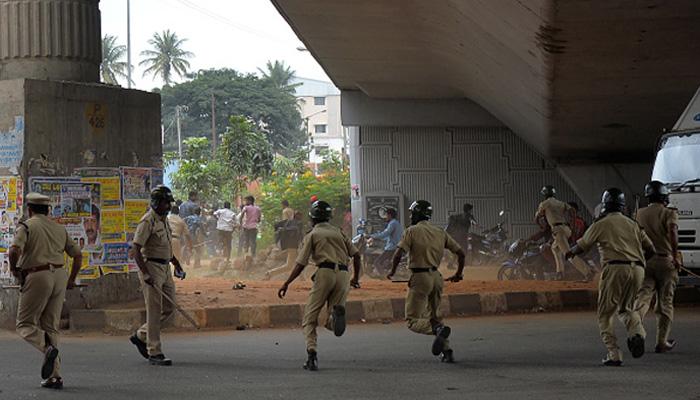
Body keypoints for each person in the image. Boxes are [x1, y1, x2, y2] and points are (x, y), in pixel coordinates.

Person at [566, 188, 655, 366]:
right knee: (627, 308)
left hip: (615, 268)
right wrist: (636, 261)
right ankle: (637, 334)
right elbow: (651, 249)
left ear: (605, 205)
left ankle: (614, 354)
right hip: (637, 269)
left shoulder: (601, 223)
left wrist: (568, 253)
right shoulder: (633, 224)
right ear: (622, 206)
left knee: (605, 315)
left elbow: (582, 246)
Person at [8, 192, 82, 389]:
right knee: (51, 326)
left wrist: (14, 269)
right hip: (59, 275)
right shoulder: (59, 228)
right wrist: (72, 279)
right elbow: (78, 255)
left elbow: (14, 250)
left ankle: (46, 346)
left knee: (24, 324)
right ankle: (54, 376)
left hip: (37, 274)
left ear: (30, 209)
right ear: (48, 210)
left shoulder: (27, 226)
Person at [278, 200, 361, 371]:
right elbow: (357, 255)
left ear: (312, 218)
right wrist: (355, 278)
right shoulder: (339, 232)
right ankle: (335, 316)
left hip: (325, 273)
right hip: (344, 274)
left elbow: (300, 263)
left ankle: (312, 355)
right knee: (332, 316)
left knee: (310, 318)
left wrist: (287, 283)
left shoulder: (313, 234)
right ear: (329, 217)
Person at [387, 200, 466, 363]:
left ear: (417, 214)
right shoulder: (439, 231)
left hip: (420, 277)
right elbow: (461, 253)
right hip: (437, 277)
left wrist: (392, 272)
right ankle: (447, 351)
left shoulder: (411, 231)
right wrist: (458, 273)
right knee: (434, 315)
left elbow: (398, 254)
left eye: (412, 213)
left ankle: (437, 329)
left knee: (412, 320)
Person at [129, 186, 186, 366]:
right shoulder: (147, 222)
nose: (168, 206)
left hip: (165, 269)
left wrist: (176, 265)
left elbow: (167, 248)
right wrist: (145, 274)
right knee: (154, 311)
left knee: (170, 308)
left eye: (169, 202)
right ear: (156, 203)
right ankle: (154, 351)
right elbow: (136, 249)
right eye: (165, 202)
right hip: (151, 267)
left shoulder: (164, 221)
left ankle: (141, 335)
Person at [634, 181, 680, 353]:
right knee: (665, 303)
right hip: (665, 261)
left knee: (643, 297)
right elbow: (673, 232)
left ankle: (635, 329)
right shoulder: (669, 212)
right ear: (664, 196)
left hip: (645, 261)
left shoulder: (638, 213)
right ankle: (662, 342)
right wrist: (675, 257)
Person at [535, 185, 593, 281]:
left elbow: (536, 218)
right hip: (565, 229)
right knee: (555, 248)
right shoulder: (560, 203)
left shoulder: (544, 203)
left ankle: (587, 272)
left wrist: (540, 225)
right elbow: (573, 211)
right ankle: (560, 273)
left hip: (558, 230)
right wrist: (573, 226)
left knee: (568, 254)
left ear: (544, 194)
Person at [267, 211, 305, 280]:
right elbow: (300, 234)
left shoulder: (288, 221)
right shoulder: (299, 223)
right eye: (301, 216)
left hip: (287, 245)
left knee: (297, 262)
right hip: (293, 246)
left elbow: (276, 225)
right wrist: (302, 242)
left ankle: (302, 278)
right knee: (289, 266)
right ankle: (270, 273)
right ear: (299, 216)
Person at [369, 207, 403, 275]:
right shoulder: (397, 223)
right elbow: (388, 236)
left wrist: (372, 236)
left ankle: (383, 277)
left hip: (391, 248)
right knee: (385, 263)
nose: (385, 217)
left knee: (377, 262)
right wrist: (377, 238)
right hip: (396, 246)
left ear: (390, 215)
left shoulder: (392, 223)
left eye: (386, 215)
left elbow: (385, 234)